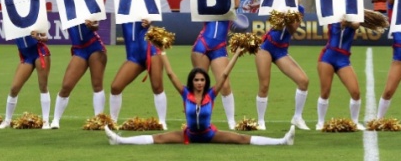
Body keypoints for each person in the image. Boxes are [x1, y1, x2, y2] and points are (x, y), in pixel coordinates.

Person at [104, 48, 295, 146]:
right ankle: (119, 140)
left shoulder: (211, 94)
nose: (199, 83)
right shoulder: (185, 93)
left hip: (209, 135)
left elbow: (225, 75)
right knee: (159, 138)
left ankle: (281, 141)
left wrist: (236, 53)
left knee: (242, 139)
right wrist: (161, 51)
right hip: (189, 135)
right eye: (196, 80)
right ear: (192, 81)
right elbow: (170, 74)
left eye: (202, 80)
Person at [189, 0, 242, 130]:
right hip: (202, 44)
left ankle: (231, 122)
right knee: (199, 85)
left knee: (225, 84)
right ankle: (198, 121)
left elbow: (236, 3)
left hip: (219, 46)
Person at [255, 5, 310, 130]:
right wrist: (280, 13)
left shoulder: (299, 9)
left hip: (281, 50)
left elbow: (293, 29)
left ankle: (297, 117)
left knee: (303, 81)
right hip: (266, 47)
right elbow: (275, 23)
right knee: (264, 85)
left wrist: (286, 17)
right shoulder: (278, 4)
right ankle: (261, 121)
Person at [108, 19, 167, 129]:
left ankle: (162, 121)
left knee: (157, 86)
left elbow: (154, 11)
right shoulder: (123, 6)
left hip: (151, 50)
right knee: (115, 87)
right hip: (133, 56)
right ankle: (113, 121)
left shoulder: (144, 2)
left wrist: (150, 22)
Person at [51, 19, 107, 129]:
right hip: (79, 50)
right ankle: (55, 120)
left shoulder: (86, 4)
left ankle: (98, 120)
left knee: (97, 85)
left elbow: (96, 24)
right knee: (66, 86)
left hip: (94, 46)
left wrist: (93, 24)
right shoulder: (66, 7)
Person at [316, 19, 364, 130]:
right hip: (328, 56)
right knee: (325, 92)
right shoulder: (333, 12)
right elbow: (341, 23)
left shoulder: (354, 13)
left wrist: (354, 20)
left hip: (343, 59)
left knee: (355, 92)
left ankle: (355, 122)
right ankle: (320, 122)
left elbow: (356, 24)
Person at [0, 30, 52, 129]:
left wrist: (39, 38)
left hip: (40, 53)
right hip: (26, 56)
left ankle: (46, 122)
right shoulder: (12, 18)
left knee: (43, 86)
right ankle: (7, 121)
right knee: (14, 88)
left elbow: (46, 38)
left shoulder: (33, 15)